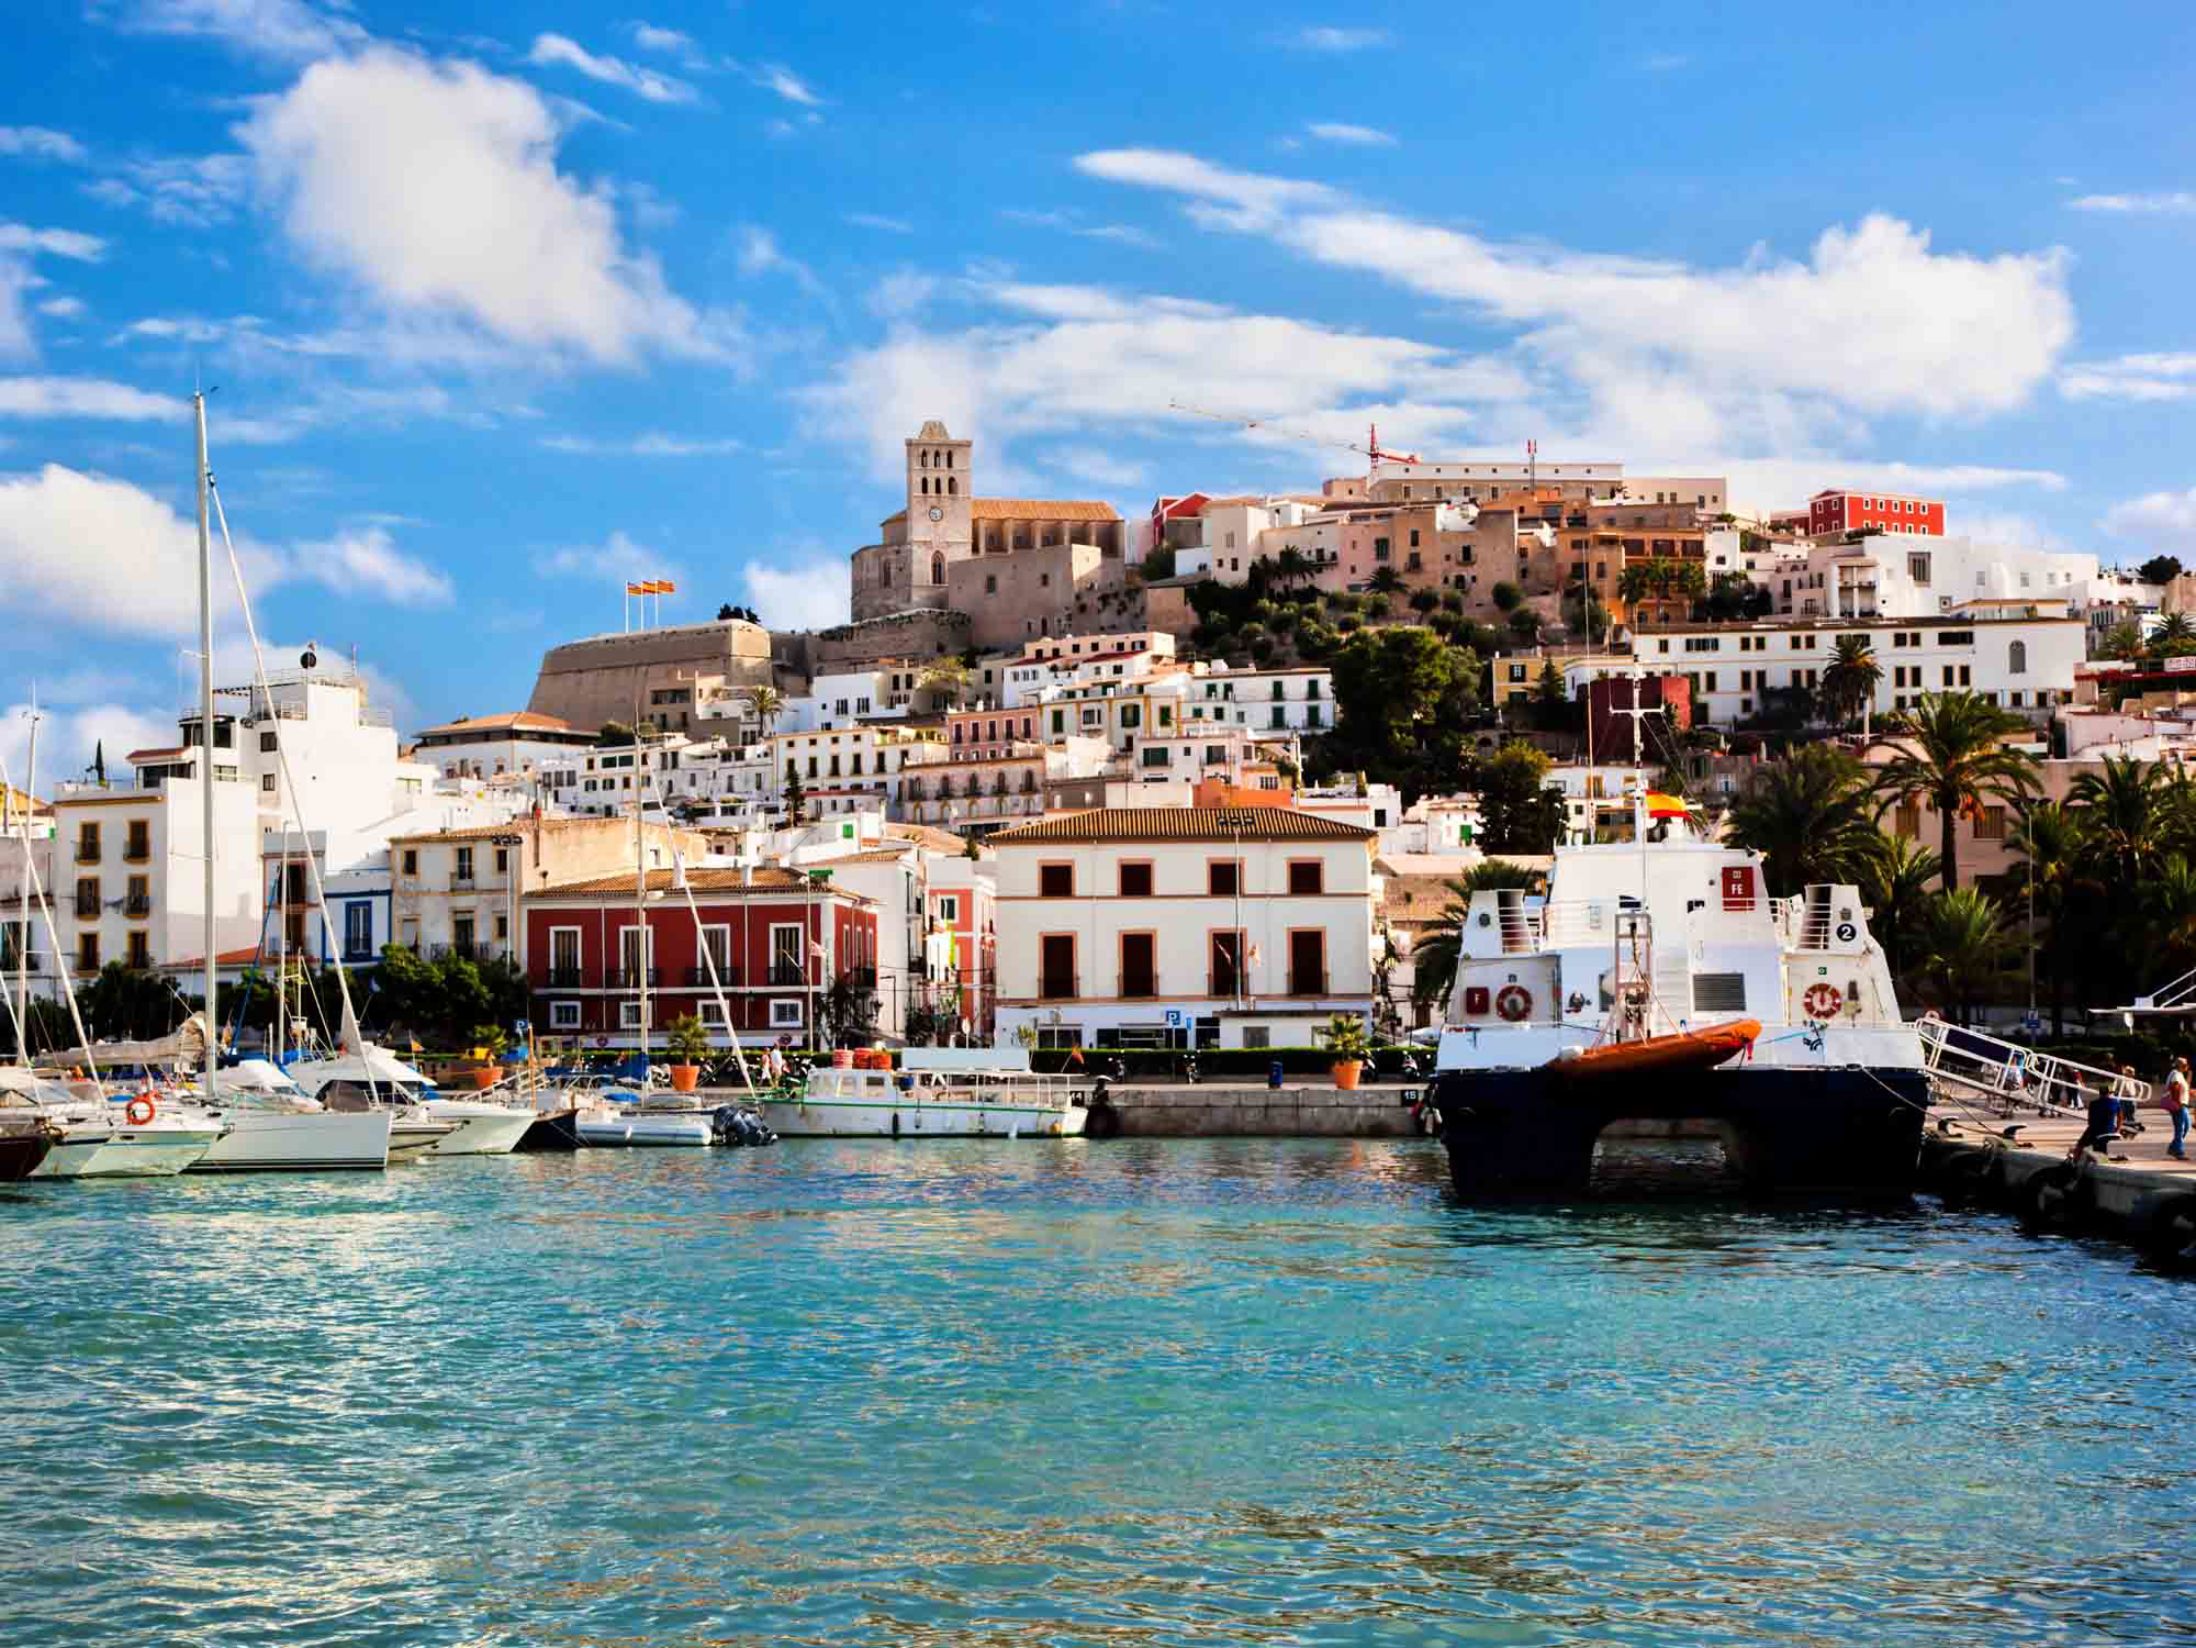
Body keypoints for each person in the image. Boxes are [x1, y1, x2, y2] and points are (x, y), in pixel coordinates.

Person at [2070, 1077, 2123, 1164]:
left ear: (2100, 1092)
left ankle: (2075, 1160)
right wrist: (2117, 1129)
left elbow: (2090, 1121)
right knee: (2100, 1144)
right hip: (2111, 1130)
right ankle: (2100, 1158)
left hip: (2096, 1131)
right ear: (2110, 1092)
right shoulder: (2115, 1102)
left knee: (2081, 1144)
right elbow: (2120, 1117)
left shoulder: (2094, 1104)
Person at [2162, 1057, 2191, 1162]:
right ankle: (2178, 1151)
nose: (2187, 1066)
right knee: (2181, 1128)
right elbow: (2175, 1087)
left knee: (2186, 1126)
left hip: (2182, 1104)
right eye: (2185, 1064)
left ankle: (2173, 1147)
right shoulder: (2176, 1074)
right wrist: (2177, 1102)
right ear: (2180, 1065)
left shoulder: (2179, 1074)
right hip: (2179, 1105)